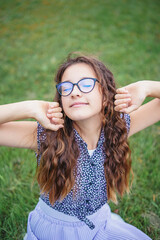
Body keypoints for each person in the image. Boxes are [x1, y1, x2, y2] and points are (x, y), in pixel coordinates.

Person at [0, 53, 159, 240]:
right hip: (57, 232)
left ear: (106, 93)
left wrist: (146, 87)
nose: (74, 92)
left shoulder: (119, 127)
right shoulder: (48, 135)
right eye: (66, 87)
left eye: (86, 84)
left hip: (100, 222)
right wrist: (28, 107)